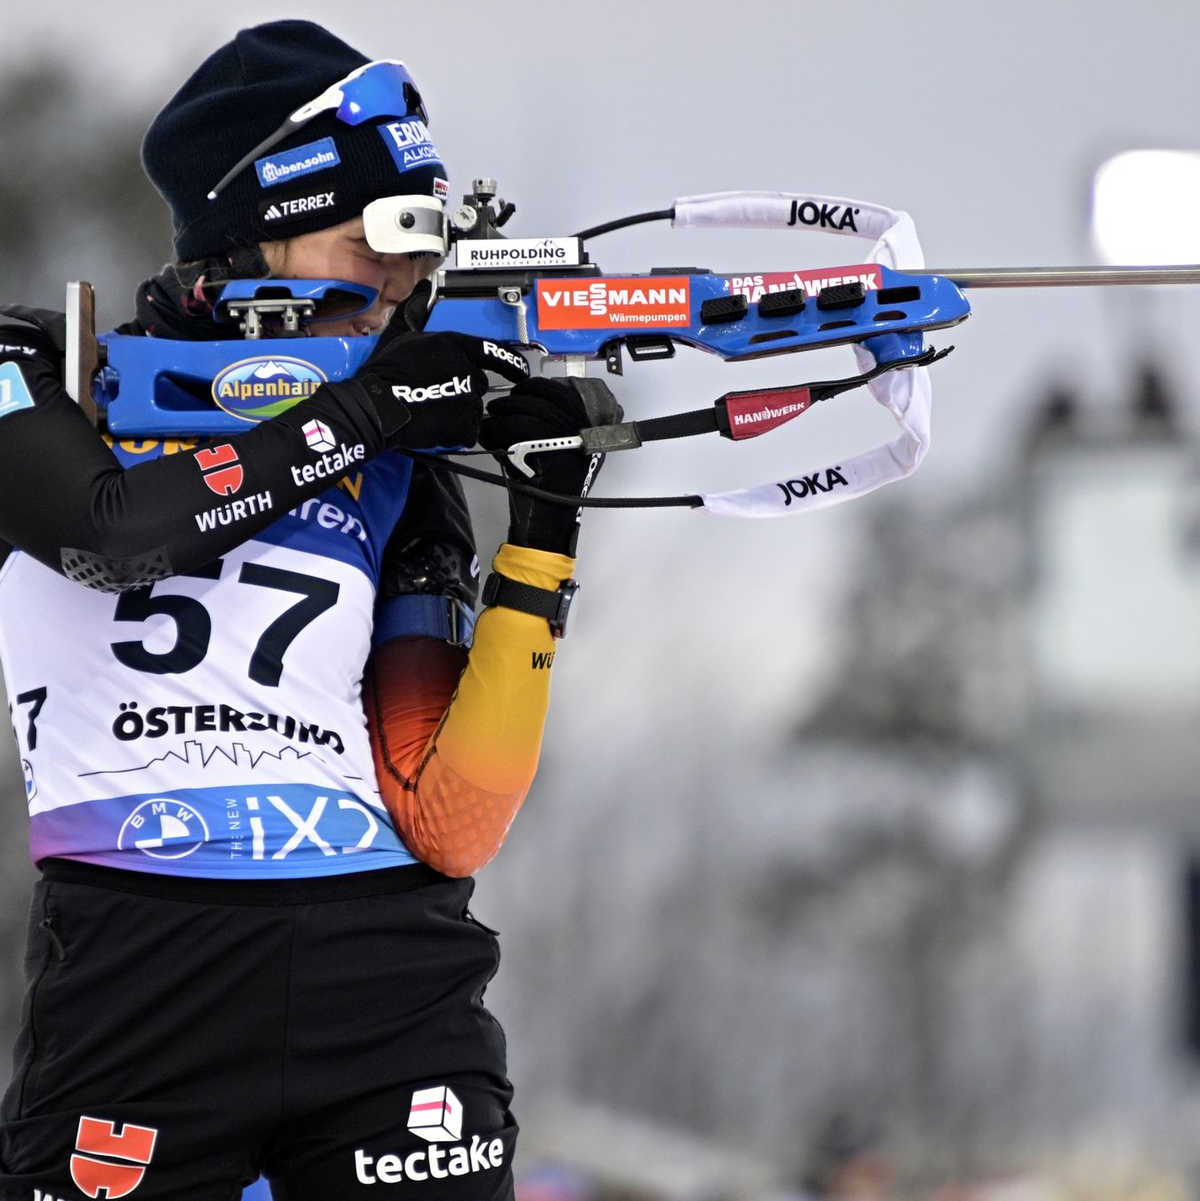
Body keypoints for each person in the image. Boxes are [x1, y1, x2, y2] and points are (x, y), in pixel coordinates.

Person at [0, 20, 614, 1200]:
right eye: (371, 235)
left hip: (387, 973)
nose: (399, 281)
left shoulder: (396, 459)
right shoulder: (44, 365)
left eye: (421, 245)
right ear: (259, 226)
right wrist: (364, 416)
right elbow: (109, 533)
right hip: (143, 970)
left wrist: (543, 528)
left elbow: (449, 817)